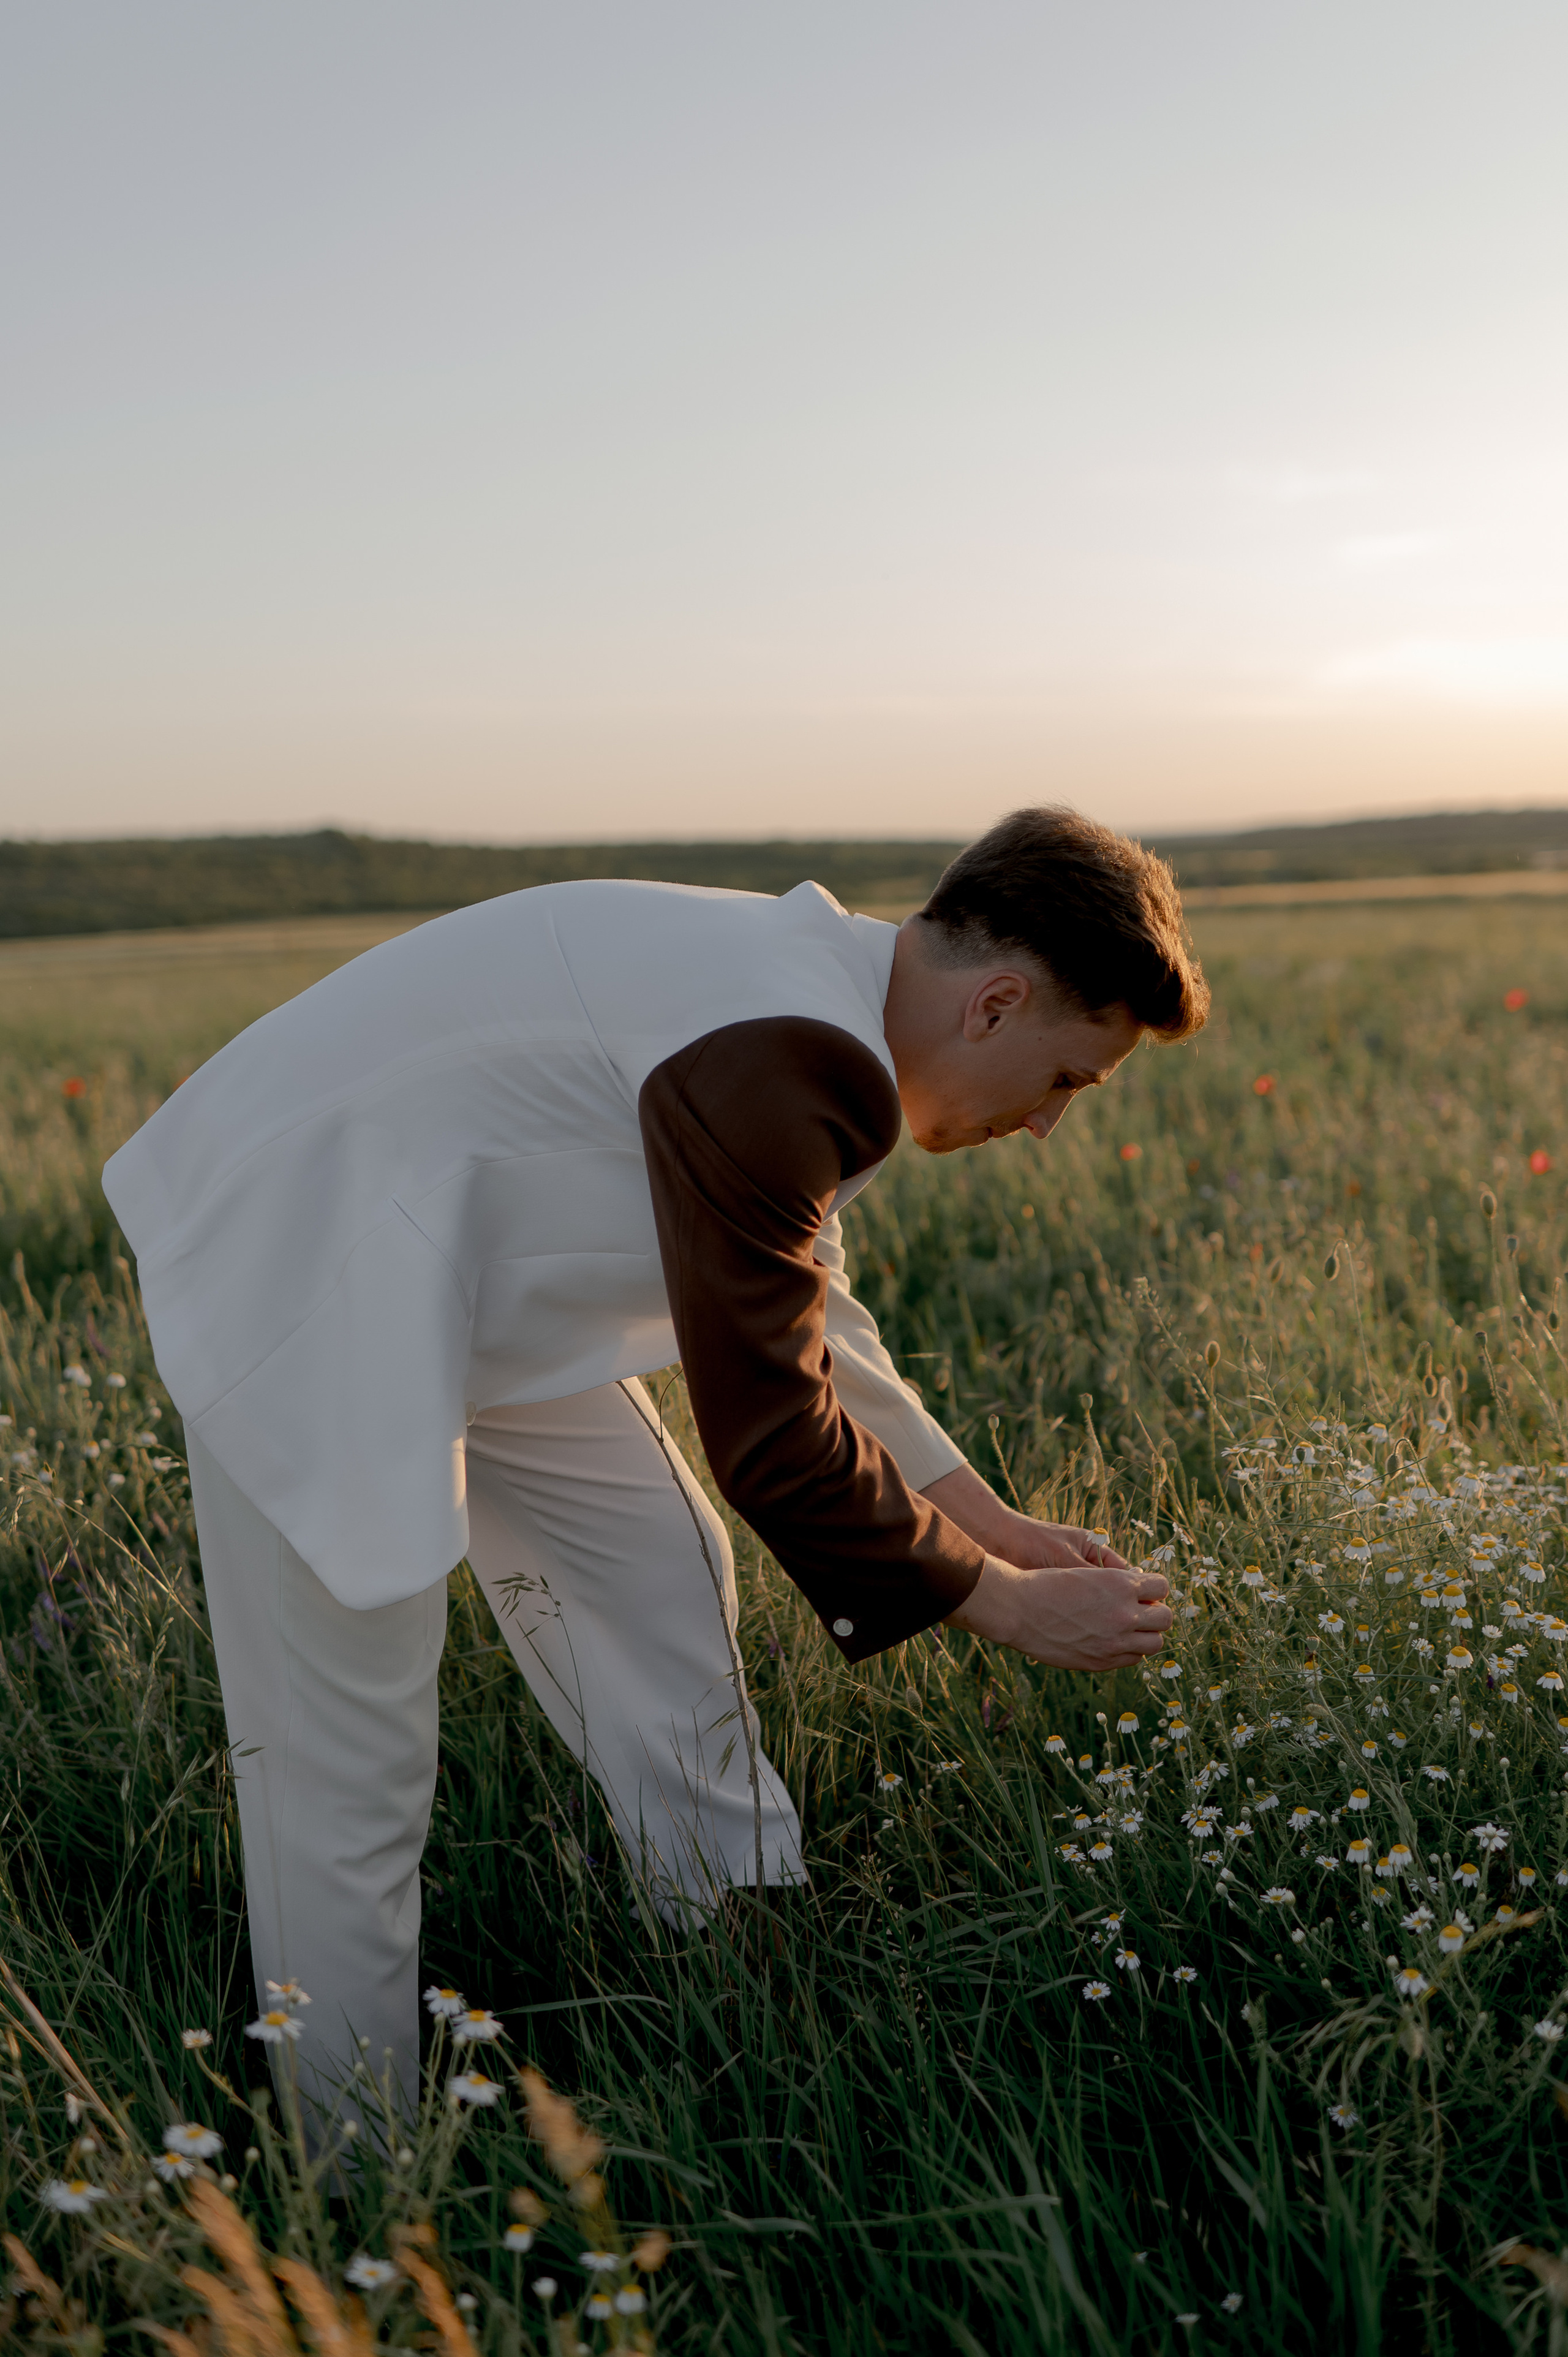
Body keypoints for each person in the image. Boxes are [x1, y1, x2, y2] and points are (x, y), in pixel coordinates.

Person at [103, 804, 1207, 2119]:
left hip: (470, 1269)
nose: (1047, 1125)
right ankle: (353, 2176)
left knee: (655, 1566)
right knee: (348, 1764)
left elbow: (804, 1304)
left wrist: (986, 1517)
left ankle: (734, 1960)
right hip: (305, 1270)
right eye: (1068, 1080)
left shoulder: (816, 1008)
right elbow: (772, 1429)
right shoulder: (786, 1048)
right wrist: (1003, 1603)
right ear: (997, 1004)